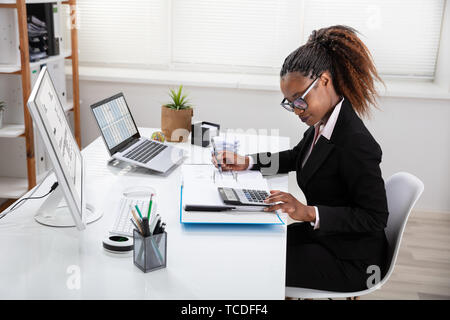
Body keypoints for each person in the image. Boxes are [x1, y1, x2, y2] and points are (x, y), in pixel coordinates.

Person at [212, 25, 389, 292]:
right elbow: (298, 157)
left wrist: (307, 212)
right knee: (249, 246)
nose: (296, 110)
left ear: (325, 81)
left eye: (299, 100)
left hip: (353, 261)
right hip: (325, 238)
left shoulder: (355, 142)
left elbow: (375, 217)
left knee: (250, 266)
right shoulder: (326, 121)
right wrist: (247, 162)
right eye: (289, 103)